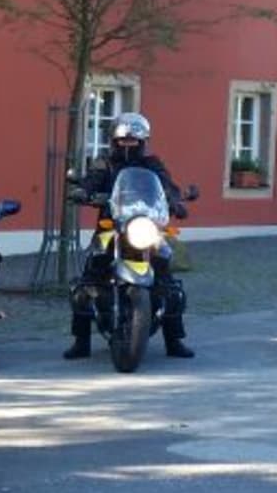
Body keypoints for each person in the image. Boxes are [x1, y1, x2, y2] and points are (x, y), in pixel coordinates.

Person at [66, 113, 192, 360]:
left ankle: (174, 340)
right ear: (114, 141)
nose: (127, 145)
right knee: (89, 276)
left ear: (142, 142)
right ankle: (81, 341)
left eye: (133, 140)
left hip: (145, 226)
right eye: (123, 140)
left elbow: (165, 184)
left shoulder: (151, 164)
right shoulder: (104, 163)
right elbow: (93, 181)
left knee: (167, 277)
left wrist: (176, 200)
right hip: (111, 226)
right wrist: (83, 191)